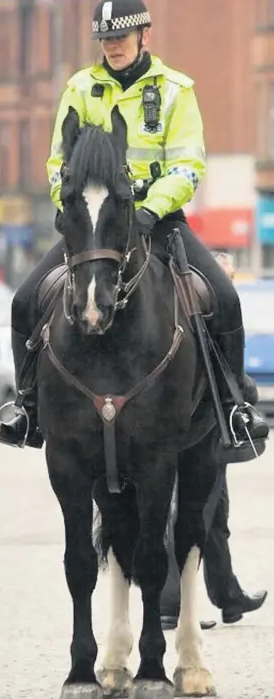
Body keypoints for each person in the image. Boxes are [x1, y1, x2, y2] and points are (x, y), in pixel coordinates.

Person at [0, 0, 269, 450]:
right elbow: (58, 162)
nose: (113, 45)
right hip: (95, 226)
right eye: (105, 37)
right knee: (24, 299)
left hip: (157, 220)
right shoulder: (79, 88)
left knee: (222, 294)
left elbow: (186, 165)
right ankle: (27, 408)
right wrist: (71, 204)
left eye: (121, 35)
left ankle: (235, 404)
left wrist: (150, 209)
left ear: (143, 34)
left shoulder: (177, 89)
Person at [160, 252, 268, 631]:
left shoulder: (215, 322)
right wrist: (245, 393)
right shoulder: (194, 324)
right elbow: (227, 377)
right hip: (195, 435)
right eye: (223, 277)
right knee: (186, 517)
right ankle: (173, 603)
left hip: (213, 438)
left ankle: (227, 596)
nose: (227, 286)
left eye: (230, 277)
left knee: (215, 516)